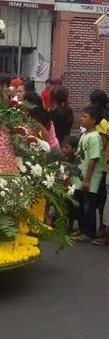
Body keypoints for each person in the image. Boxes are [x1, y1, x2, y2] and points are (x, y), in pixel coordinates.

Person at [74, 105, 104, 241]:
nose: (81, 118)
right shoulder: (84, 135)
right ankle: (82, 229)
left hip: (89, 179)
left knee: (89, 206)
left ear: (93, 120)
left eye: (85, 116)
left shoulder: (95, 137)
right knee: (80, 204)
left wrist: (87, 179)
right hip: (79, 178)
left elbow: (93, 159)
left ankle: (89, 232)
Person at [88, 89, 109, 237]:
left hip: (101, 162)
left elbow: (103, 143)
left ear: (95, 103)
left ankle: (102, 226)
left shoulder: (101, 121)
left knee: (101, 196)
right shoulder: (104, 117)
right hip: (103, 162)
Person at [24, 92, 61, 161]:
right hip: (50, 149)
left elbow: (45, 139)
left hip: (51, 151)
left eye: (24, 102)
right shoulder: (33, 115)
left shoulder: (37, 120)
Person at [61, 136, 80, 233]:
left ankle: (70, 226)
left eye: (66, 147)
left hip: (72, 186)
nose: (63, 149)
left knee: (71, 206)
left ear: (74, 149)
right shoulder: (63, 158)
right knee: (63, 205)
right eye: (62, 147)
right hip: (63, 185)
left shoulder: (77, 159)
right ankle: (63, 224)